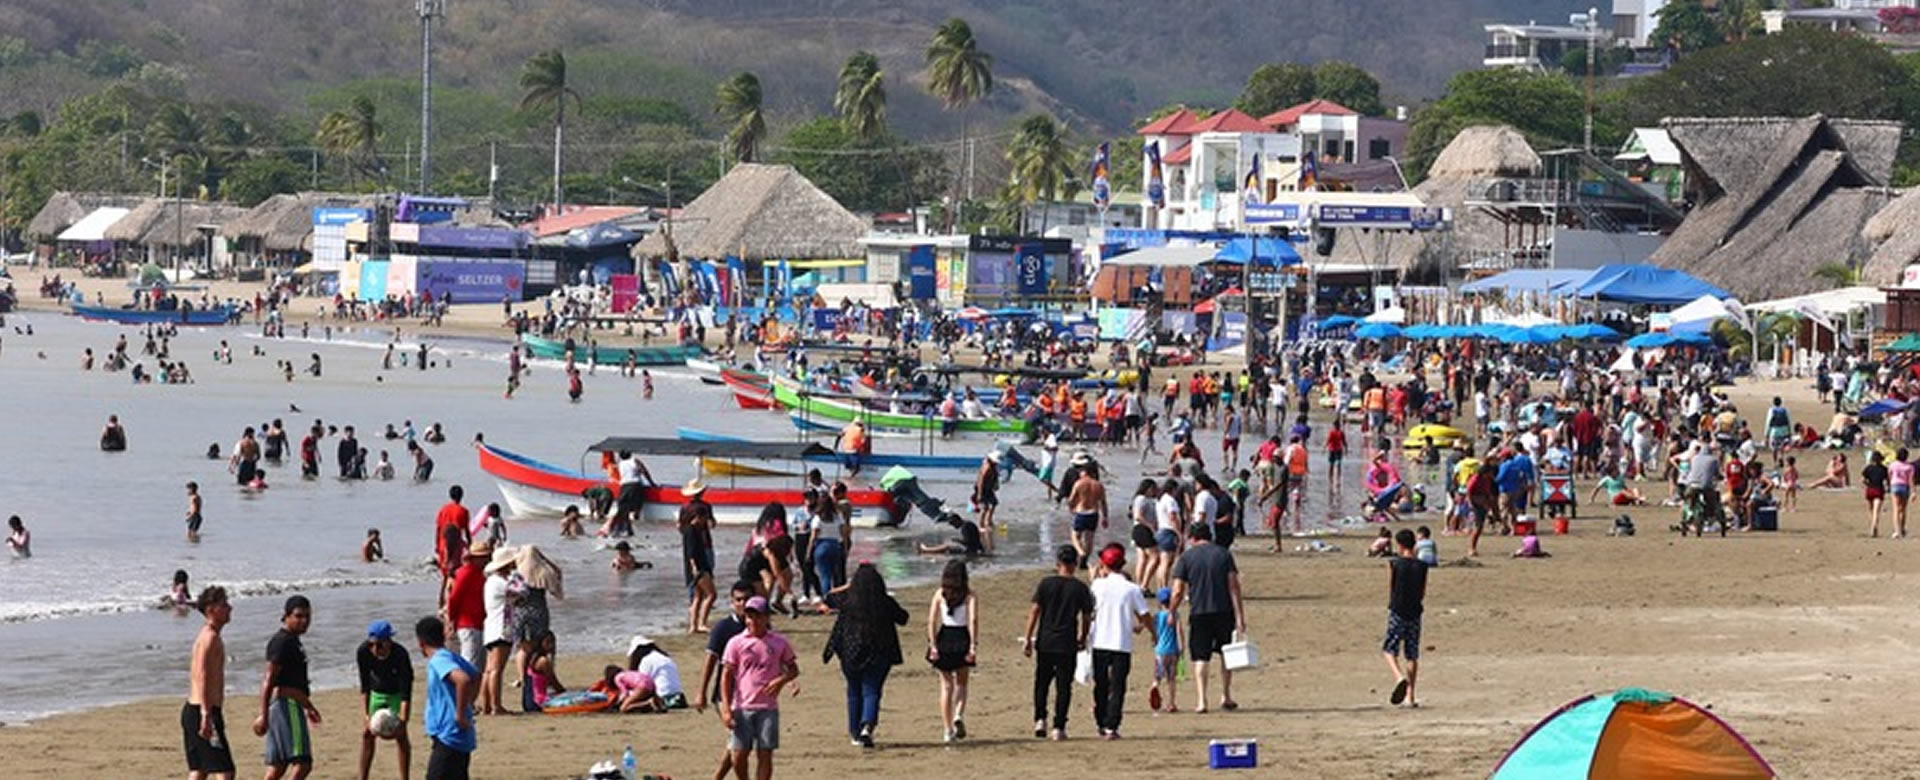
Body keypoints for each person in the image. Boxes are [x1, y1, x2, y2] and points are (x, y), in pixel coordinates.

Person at [822, 562, 909, 748]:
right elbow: (903, 618)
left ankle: (855, 733)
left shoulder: (847, 599)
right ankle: (867, 727)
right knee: (872, 690)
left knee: (853, 691)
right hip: (880, 651)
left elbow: (828, 598)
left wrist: (848, 586)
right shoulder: (884, 601)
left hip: (850, 651)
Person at [1168, 522, 1244, 713]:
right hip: (1223, 610)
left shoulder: (1186, 557)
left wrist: (1171, 611)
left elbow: (1177, 591)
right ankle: (1226, 695)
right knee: (1226, 654)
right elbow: (1234, 587)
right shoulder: (1223, 554)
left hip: (1199, 611)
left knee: (1201, 657)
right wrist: (1240, 615)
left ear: (1192, 538)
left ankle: (1202, 700)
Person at [720, 596, 800, 780]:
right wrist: (726, 709)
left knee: (765, 754)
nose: (752, 621)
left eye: (757, 617)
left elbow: (793, 669)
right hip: (742, 706)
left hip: (768, 708)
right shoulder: (736, 643)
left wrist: (781, 681)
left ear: (766, 618)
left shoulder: (779, 642)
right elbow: (726, 676)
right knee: (739, 755)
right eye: (749, 617)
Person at [1023, 544, 1093, 740]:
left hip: (1046, 640)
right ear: (1075, 563)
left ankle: (1040, 719)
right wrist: (1083, 637)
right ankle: (1059, 726)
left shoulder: (1046, 584)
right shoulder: (1080, 588)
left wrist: (1028, 637)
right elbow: (1086, 617)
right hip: (1066, 641)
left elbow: (1034, 611)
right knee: (1064, 686)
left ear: (1057, 563)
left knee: (1042, 683)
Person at [253, 595, 320, 780]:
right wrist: (264, 716)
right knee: (303, 763)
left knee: (279, 765)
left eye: (307, 616)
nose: (304, 621)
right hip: (286, 706)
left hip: (288, 704)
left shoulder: (293, 641)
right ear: (286, 616)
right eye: (298, 616)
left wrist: (308, 706)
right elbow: (269, 680)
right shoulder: (283, 642)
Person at [1088, 544, 1150, 740]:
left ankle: (1101, 721)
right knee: (1118, 686)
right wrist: (1153, 632)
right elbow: (1144, 615)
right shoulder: (1131, 589)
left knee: (1101, 684)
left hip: (1100, 641)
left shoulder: (1097, 585)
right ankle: (1111, 726)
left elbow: (1091, 608)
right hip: (1121, 643)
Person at [415, 616, 477, 780]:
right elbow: (476, 675)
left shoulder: (439, 660)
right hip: (456, 735)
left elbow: (463, 679)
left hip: (450, 735)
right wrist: (469, 703)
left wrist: (461, 714)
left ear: (420, 643)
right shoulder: (450, 655)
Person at [184, 586, 234, 780]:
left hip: (197, 710)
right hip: (202, 710)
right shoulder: (209, 638)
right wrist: (206, 714)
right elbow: (201, 676)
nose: (230, 608)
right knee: (224, 770)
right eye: (224, 605)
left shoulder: (209, 635)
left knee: (200, 769)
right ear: (212, 609)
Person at [356, 620, 413, 780]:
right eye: (372, 644)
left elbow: (406, 691)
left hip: (396, 693)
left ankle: (404, 777)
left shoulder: (400, 654)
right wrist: (366, 715)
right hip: (376, 692)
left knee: (401, 736)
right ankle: (363, 777)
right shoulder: (363, 652)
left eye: (380, 645)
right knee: (367, 734)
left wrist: (403, 720)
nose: (375, 649)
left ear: (389, 641)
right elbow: (364, 685)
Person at [926, 559, 977, 742]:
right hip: (962, 637)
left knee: (946, 686)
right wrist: (972, 645)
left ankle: (947, 730)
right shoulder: (969, 595)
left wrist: (933, 644)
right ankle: (958, 715)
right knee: (962, 683)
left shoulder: (940, 594)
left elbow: (932, 621)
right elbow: (973, 621)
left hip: (945, 638)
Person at [1384, 529, 1427, 708]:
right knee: (1412, 654)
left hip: (1398, 609)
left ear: (1400, 545)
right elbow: (1423, 591)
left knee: (1389, 650)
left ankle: (1398, 676)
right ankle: (1411, 696)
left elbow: (1391, 587)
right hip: (1415, 611)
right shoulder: (1422, 566)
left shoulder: (1394, 563)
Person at [479, 548, 516, 716]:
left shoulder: (491, 581)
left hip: (492, 626)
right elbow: (522, 592)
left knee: (489, 669)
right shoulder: (501, 582)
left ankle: (486, 705)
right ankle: (496, 705)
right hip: (501, 627)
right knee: (496, 669)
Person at [681, 482, 718, 633]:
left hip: (692, 565)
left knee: (697, 595)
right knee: (711, 594)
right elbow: (691, 552)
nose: (705, 522)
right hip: (699, 564)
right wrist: (696, 568)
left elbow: (679, 527)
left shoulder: (684, 510)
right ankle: (701, 623)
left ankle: (693, 626)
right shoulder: (695, 529)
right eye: (704, 519)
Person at [446, 542, 489, 668]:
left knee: (479, 663)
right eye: (483, 557)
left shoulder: (479, 573)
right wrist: (451, 619)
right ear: (475, 558)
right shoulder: (465, 573)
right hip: (468, 623)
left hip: (479, 623)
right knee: (470, 662)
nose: (486, 560)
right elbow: (454, 597)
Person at [627, 636, 687, 710]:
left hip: (662, 698)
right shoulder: (665, 657)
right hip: (679, 698)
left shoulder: (646, 661)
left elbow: (642, 684)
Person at [1066, 463, 1108, 570]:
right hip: (1094, 513)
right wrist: (1105, 517)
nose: (1080, 473)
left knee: (1075, 536)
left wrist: (1071, 508)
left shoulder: (1079, 483)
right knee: (1089, 538)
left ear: (1086, 472)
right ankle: (1084, 560)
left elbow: (1071, 499)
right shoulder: (1098, 485)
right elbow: (1103, 503)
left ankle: (1081, 553)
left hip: (1081, 512)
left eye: (1082, 471)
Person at [1150, 587, 1182, 714]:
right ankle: (1172, 703)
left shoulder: (1157, 616)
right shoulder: (1174, 615)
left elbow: (1151, 630)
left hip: (1160, 651)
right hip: (1173, 651)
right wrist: (1182, 648)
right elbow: (1179, 632)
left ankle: (1154, 687)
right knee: (1171, 679)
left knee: (1157, 676)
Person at [916, 512, 987, 556]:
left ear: (957, 520)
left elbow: (968, 542)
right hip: (977, 548)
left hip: (970, 550)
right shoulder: (968, 523)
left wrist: (957, 540)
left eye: (953, 523)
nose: (953, 526)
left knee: (947, 546)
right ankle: (928, 550)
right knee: (948, 546)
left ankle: (926, 550)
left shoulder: (965, 527)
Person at [972, 451, 1001, 553]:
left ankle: (988, 522)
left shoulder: (993, 467)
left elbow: (995, 478)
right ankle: (980, 525)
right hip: (982, 489)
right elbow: (980, 481)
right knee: (985, 508)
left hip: (989, 489)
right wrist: (979, 494)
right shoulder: (986, 467)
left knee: (994, 504)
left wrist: (996, 485)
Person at [1864, 450, 1890, 538]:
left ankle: (1874, 525)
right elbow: (1887, 481)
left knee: (1871, 510)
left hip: (1870, 490)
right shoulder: (1884, 469)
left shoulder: (1868, 468)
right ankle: (1874, 527)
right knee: (1876, 511)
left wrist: (1868, 484)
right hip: (1879, 490)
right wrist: (1888, 488)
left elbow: (1863, 480)